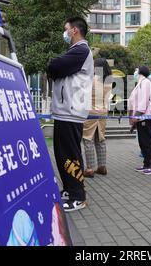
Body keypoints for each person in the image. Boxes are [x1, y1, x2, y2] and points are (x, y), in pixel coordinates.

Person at [47, 17, 93, 212]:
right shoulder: (74, 51)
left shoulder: (81, 50)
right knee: (61, 154)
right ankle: (69, 189)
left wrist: (53, 66)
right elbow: (56, 69)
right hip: (64, 112)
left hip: (71, 112)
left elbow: (54, 67)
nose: (64, 33)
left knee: (70, 155)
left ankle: (78, 196)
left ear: (74, 30)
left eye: (66, 29)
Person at [82, 58, 112, 178]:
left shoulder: (92, 80)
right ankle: (102, 167)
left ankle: (89, 169)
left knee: (88, 139)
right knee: (100, 139)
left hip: (91, 112)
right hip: (103, 113)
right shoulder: (108, 81)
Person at [128, 66, 151, 175]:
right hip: (141, 117)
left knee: (147, 141)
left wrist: (136, 116)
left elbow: (143, 101)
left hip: (145, 116)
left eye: (136, 70)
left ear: (140, 72)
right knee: (142, 142)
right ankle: (147, 163)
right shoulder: (140, 83)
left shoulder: (145, 82)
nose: (134, 72)